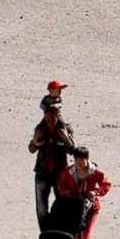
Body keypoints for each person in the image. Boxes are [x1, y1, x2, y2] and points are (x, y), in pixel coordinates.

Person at [54, 146, 112, 239]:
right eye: (76, 160)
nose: (79, 163)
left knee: (86, 233)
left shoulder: (95, 172)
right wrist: (65, 192)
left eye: (82, 160)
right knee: (75, 234)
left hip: (91, 208)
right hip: (74, 207)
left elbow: (106, 185)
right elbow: (60, 183)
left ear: (87, 159)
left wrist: (96, 192)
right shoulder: (69, 171)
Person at [27, 84, 74, 227]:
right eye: (49, 114)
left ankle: (62, 235)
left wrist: (66, 138)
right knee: (41, 207)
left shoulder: (64, 128)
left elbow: (73, 150)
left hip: (60, 173)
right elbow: (31, 149)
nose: (52, 117)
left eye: (55, 113)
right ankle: (45, 236)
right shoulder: (40, 129)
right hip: (42, 172)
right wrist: (35, 142)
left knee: (62, 204)